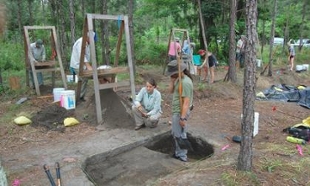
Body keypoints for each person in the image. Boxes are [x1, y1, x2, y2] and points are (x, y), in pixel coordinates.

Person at [166, 60, 194, 162]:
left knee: (179, 134)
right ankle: (179, 153)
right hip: (177, 111)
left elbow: (186, 103)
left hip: (180, 112)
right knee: (176, 133)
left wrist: (182, 118)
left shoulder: (185, 83)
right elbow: (171, 91)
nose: (171, 75)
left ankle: (182, 157)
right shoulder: (179, 79)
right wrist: (172, 81)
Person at [70, 31, 97, 101]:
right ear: (88, 38)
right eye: (92, 40)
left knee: (83, 79)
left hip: (82, 65)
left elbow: (87, 56)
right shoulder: (80, 42)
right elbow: (81, 56)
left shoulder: (87, 43)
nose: (93, 41)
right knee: (84, 78)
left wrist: (89, 66)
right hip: (77, 65)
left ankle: (80, 96)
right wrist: (88, 67)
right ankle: (79, 97)